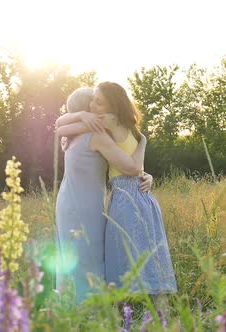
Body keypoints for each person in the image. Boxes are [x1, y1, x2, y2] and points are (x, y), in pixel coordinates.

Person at [57, 82, 177, 311]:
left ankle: (77, 309)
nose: (95, 105)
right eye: (92, 101)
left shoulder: (74, 136)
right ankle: (93, 311)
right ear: (87, 110)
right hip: (85, 203)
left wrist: (144, 173)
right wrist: (143, 141)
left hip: (69, 201)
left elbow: (59, 126)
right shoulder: (95, 134)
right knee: (90, 257)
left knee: (73, 257)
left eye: (98, 101)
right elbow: (131, 167)